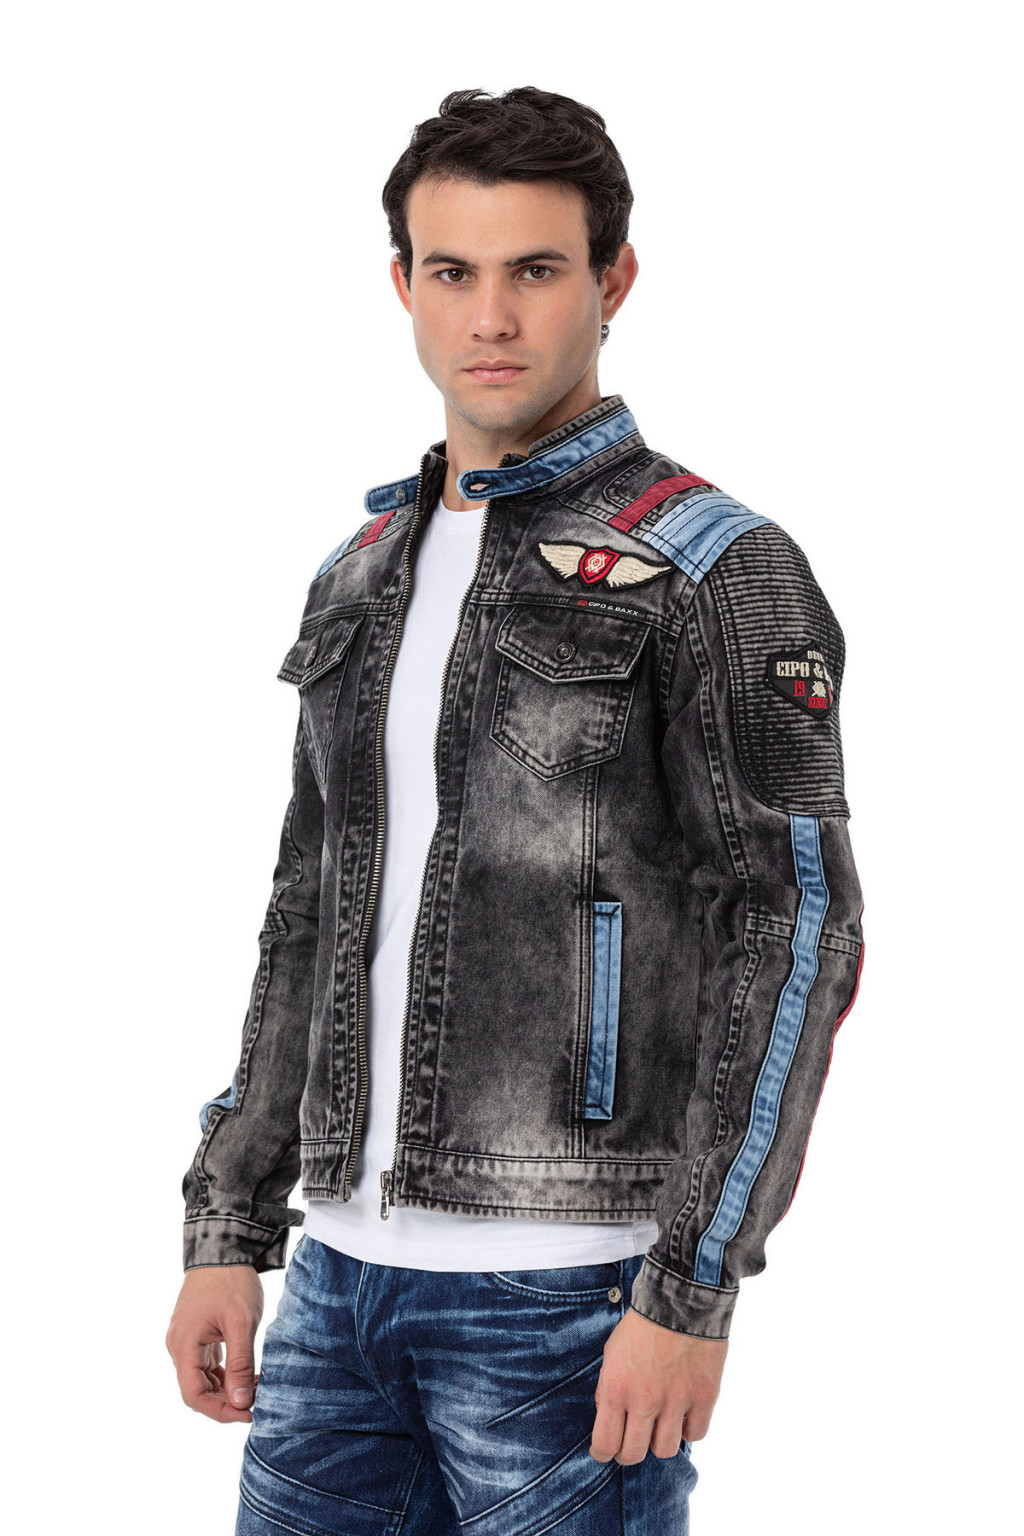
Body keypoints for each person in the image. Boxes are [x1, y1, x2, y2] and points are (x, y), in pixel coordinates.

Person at [166, 85, 865, 1534]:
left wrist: (693, 1286)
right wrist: (227, 1220)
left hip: (569, 1295)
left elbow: (794, 934)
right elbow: (306, 914)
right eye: (453, 271)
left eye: (536, 269)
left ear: (614, 278)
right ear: (403, 287)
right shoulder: (361, 569)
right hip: (336, 1288)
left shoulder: (716, 566)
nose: (491, 317)